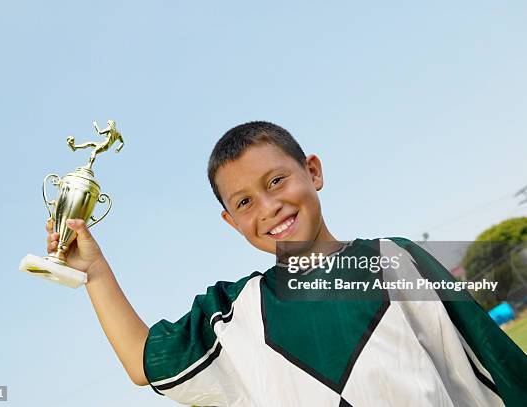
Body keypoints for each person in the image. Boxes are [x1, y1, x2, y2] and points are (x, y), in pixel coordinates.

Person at [45, 121, 527, 406]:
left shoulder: (394, 258)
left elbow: (494, 363)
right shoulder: (234, 312)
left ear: (312, 171)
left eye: (276, 181)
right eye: (245, 202)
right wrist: (95, 270)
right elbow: (141, 360)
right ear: (231, 222)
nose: (268, 207)